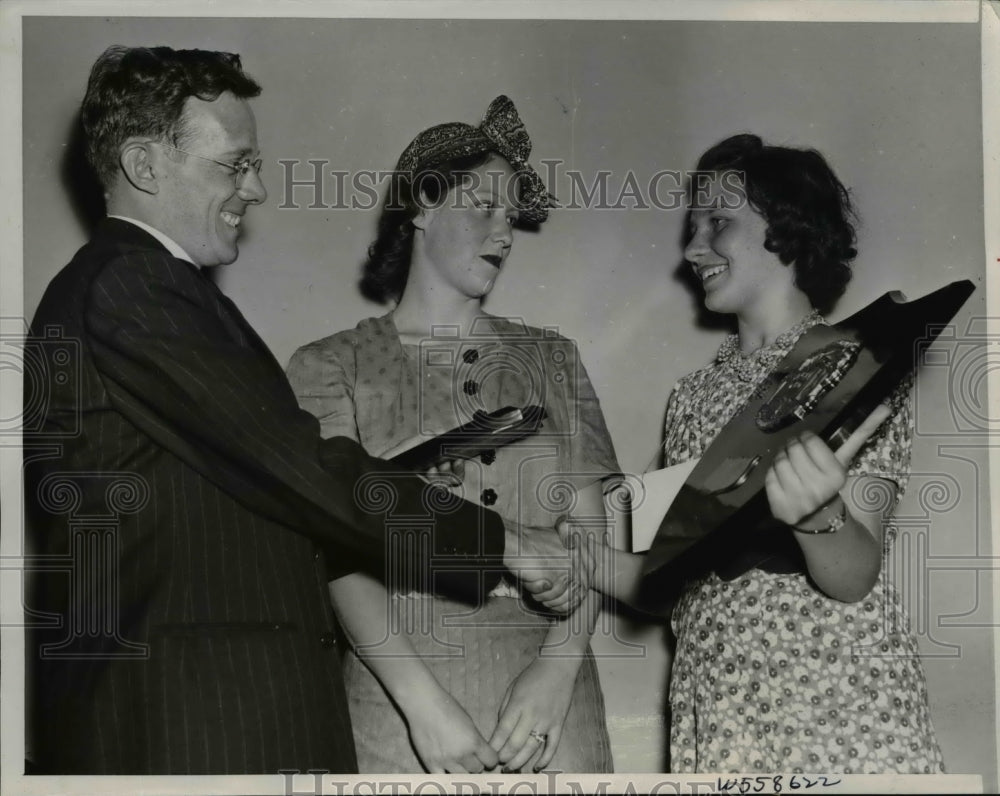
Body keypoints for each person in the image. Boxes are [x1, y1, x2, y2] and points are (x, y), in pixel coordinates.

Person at [24, 46, 591, 776]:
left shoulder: (136, 287)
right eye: (236, 165)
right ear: (144, 165)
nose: (256, 189)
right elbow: (303, 470)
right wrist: (504, 541)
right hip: (191, 722)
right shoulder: (133, 287)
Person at [592, 133, 944, 774]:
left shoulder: (853, 365)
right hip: (718, 704)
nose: (692, 249)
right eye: (693, 227)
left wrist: (818, 516)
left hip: (835, 702)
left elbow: (853, 575)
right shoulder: (691, 397)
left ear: (787, 229)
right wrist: (562, 556)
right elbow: (668, 587)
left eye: (718, 222)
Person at [286, 96, 618, 775]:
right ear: (422, 206)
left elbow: (591, 533)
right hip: (399, 695)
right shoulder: (328, 365)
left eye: (511, 216)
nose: (504, 233)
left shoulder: (554, 358)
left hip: (549, 696)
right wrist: (423, 707)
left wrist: (557, 673)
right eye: (484, 207)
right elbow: (336, 551)